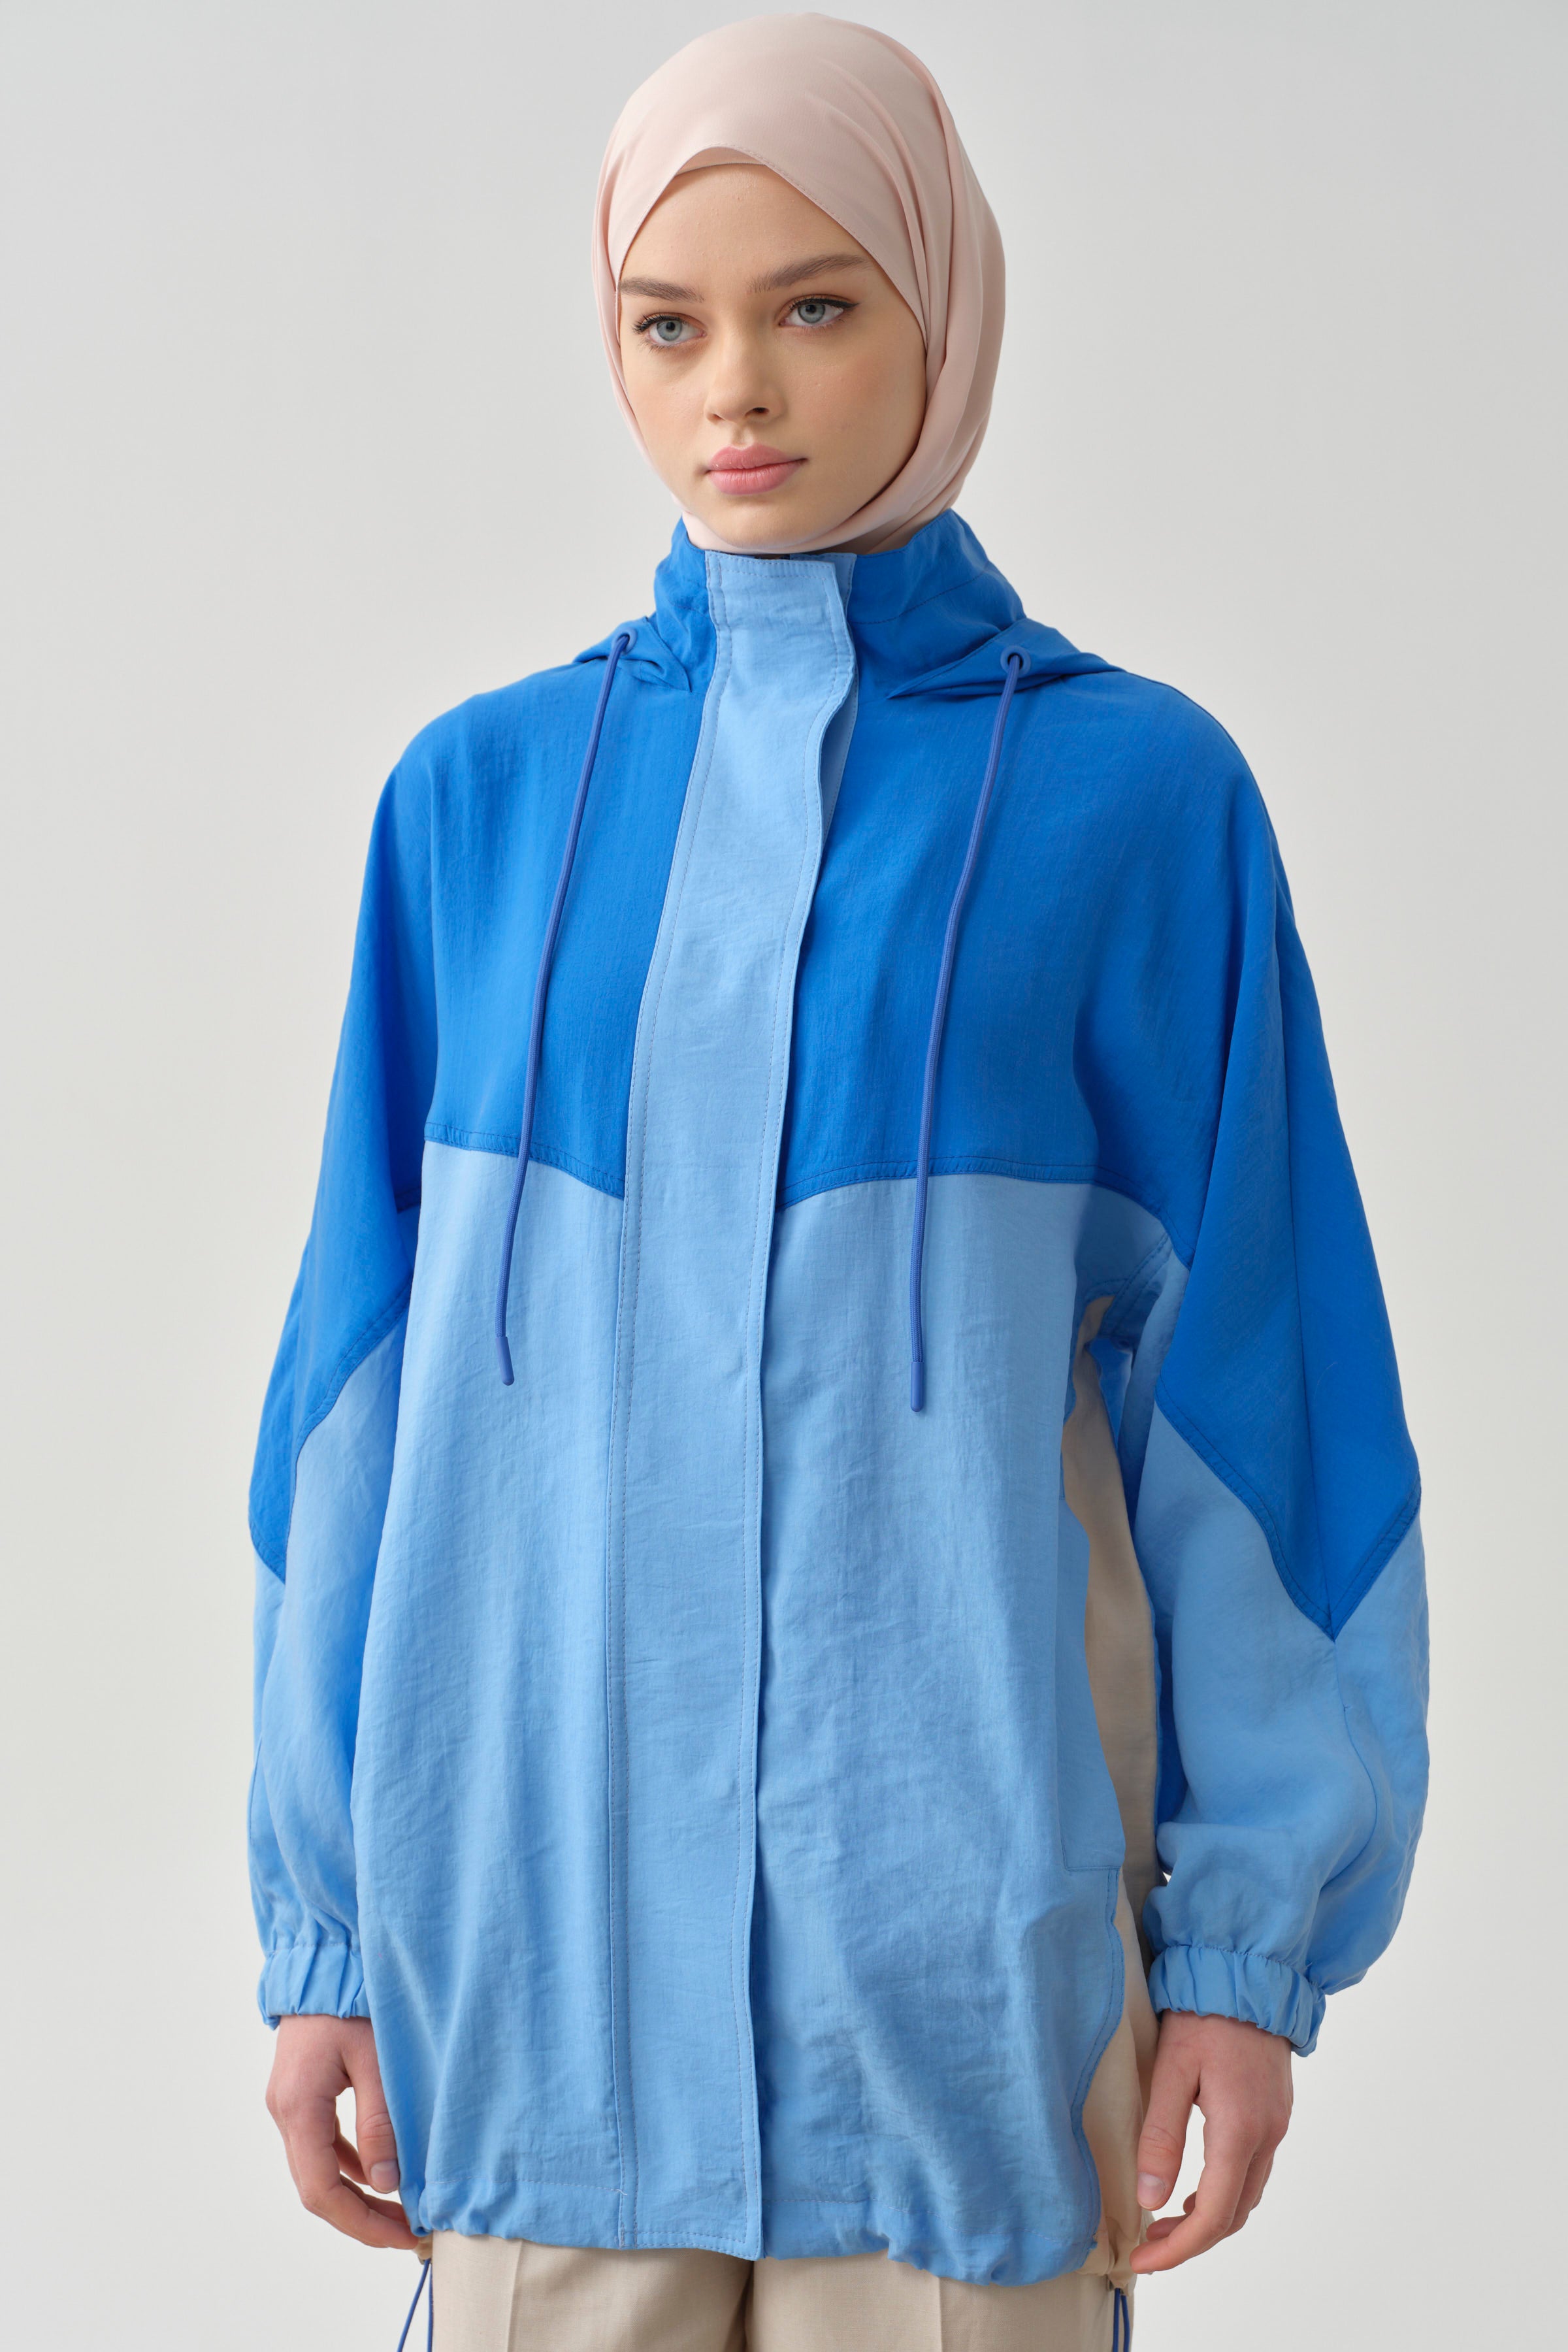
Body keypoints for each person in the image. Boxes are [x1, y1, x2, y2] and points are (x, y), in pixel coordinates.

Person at [248, 17, 1429, 2349]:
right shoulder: (477, 808)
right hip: (541, 1990)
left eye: (815, 306)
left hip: (958, 2014)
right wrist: (322, 1934)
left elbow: (1265, 1415)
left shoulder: (1137, 803)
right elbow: (348, 1414)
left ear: (943, 308)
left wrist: (1242, 1955)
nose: (738, 393)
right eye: (665, 324)